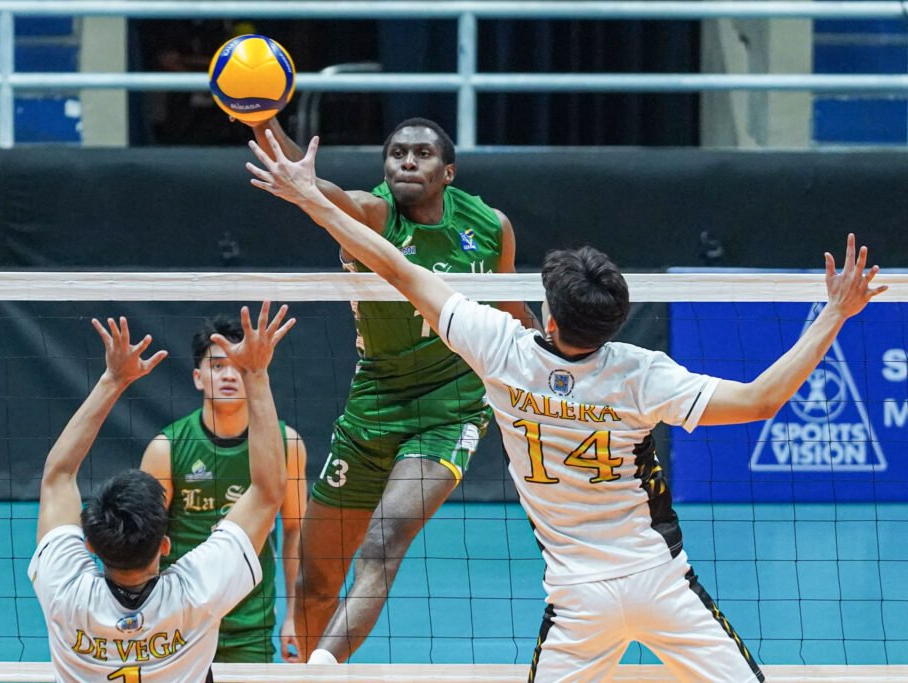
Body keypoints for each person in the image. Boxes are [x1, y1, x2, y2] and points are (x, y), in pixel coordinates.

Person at [245, 131, 887, 679]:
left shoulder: (500, 350)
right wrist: (834, 314)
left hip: (579, 601)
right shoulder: (641, 375)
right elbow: (761, 399)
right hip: (662, 583)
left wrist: (310, 197)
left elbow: (395, 267)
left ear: (548, 318)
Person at [245, 115, 541, 660]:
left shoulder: (490, 226)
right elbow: (320, 192)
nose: (407, 161)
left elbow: (512, 306)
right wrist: (264, 120)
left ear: (448, 172)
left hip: (451, 410)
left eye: (422, 154)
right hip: (373, 407)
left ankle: (320, 671)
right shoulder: (373, 215)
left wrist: (553, 360)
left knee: (383, 542)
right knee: (315, 580)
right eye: (397, 153)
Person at [30, 304, 295, 682]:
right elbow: (268, 492)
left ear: (90, 546)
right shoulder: (195, 595)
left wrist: (111, 380)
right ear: (165, 544)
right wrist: (256, 373)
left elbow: (57, 476)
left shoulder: (66, 593)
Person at [140, 316, 308, 663]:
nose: (229, 375)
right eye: (217, 366)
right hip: (178, 622)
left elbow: (295, 530)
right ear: (198, 378)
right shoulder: (166, 448)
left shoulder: (286, 444)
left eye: (239, 366)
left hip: (250, 626)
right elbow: (144, 541)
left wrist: (295, 614)